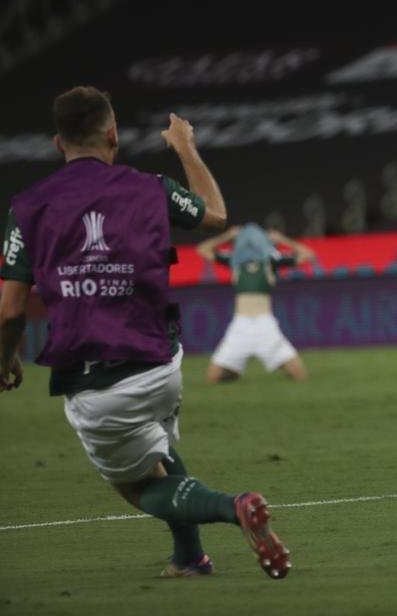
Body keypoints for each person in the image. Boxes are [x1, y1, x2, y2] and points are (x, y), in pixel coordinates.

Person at [0, 87, 291, 578]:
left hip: (96, 380)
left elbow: (9, 310)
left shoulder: (28, 208)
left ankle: (234, 505)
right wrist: (184, 147)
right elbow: (215, 213)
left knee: (136, 485)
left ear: (56, 143)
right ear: (113, 135)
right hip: (163, 361)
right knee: (151, 441)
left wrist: (5, 358)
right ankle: (189, 558)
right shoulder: (150, 187)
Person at [195, 224, 315, 383]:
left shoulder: (271, 261)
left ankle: (235, 370)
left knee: (299, 375)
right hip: (240, 325)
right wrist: (227, 236)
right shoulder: (234, 260)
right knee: (211, 379)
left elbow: (308, 255)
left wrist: (282, 240)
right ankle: (235, 371)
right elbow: (202, 249)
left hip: (264, 325)